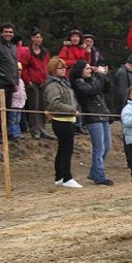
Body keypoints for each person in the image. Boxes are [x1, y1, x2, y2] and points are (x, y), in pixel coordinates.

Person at [70, 60, 114, 186]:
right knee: (99, 148)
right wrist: (99, 76)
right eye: (87, 68)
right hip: (92, 117)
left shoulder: (92, 80)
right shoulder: (78, 83)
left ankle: (94, 172)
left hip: (102, 114)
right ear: (80, 71)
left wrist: (104, 75)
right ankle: (99, 177)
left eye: (90, 68)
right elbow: (91, 91)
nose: (90, 70)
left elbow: (105, 89)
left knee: (107, 146)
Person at [43, 57, 82, 188]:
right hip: (61, 120)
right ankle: (67, 177)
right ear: (54, 70)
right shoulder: (53, 85)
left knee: (62, 148)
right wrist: (72, 110)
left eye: (64, 67)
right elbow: (54, 104)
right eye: (60, 67)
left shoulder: (64, 83)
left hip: (68, 120)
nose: (63, 70)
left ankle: (59, 176)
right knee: (67, 149)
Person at [22, 27, 54, 140]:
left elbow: (48, 65)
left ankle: (42, 128)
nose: (39, 39)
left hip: (43, 81)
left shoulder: (45, 52)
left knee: (42, 106)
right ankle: (34, 129)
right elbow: (23, 67)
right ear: (32, 39)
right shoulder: (28, 52)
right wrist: (28, 80)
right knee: (34, 106)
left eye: (40, 37)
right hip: (32, 82)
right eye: (36, 37)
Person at [9, 62, 27, 140]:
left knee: (18, 119)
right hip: (13, 104)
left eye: (20, 70)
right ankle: (14, 133)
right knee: (12, 119)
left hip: (20, 104)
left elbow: (23, 90)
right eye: (17, 70)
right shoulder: (11, 81)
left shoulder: (21, 81)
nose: (19, 72)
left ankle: (18, 132)